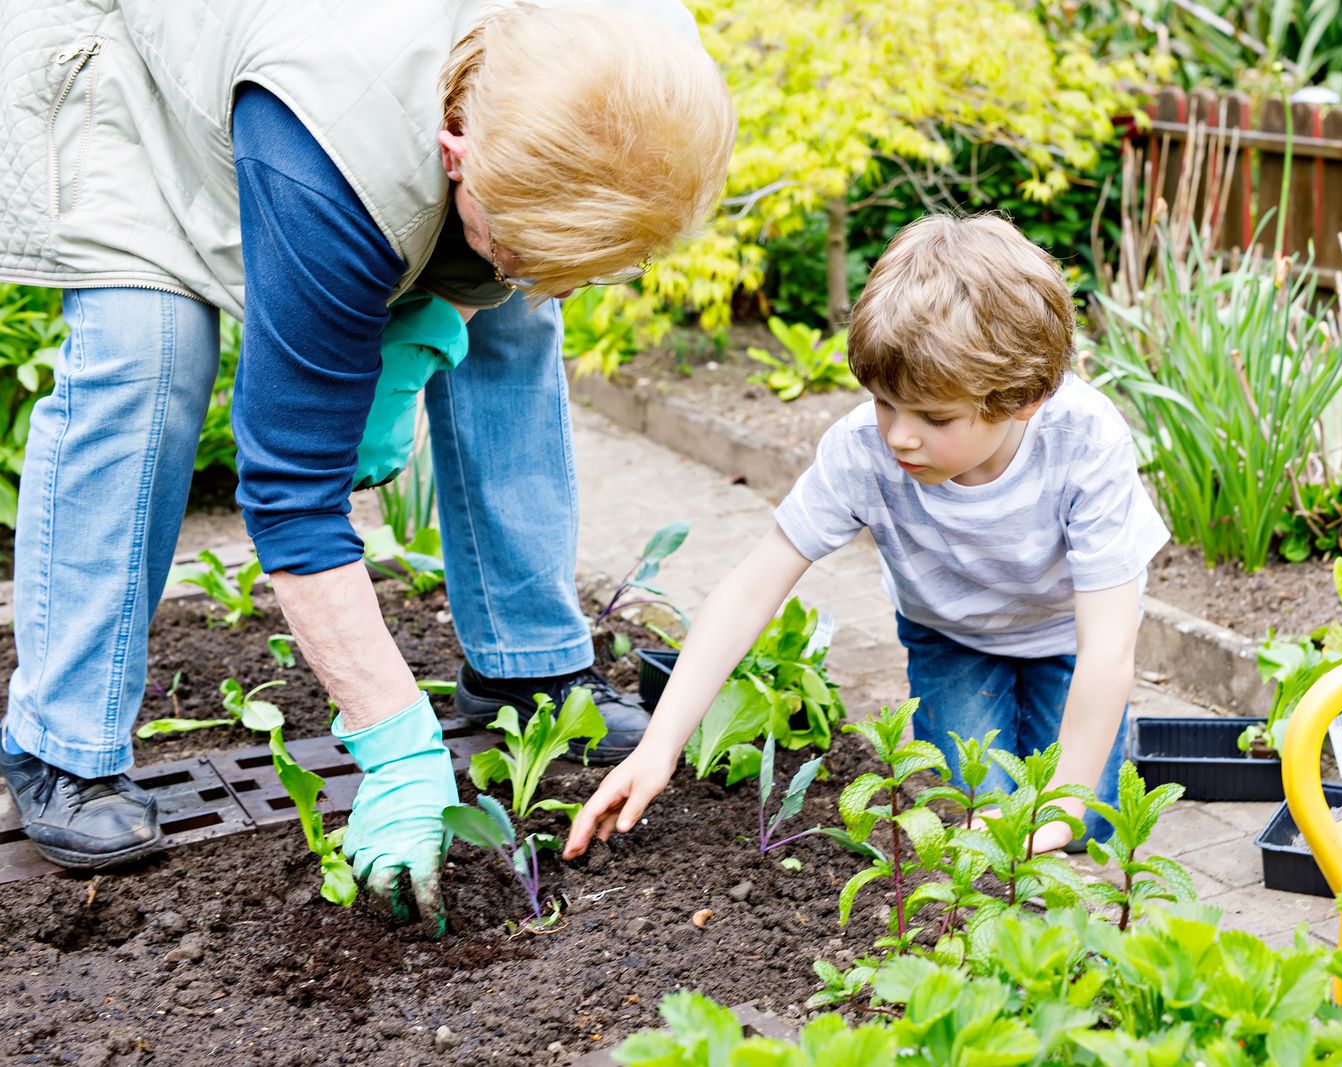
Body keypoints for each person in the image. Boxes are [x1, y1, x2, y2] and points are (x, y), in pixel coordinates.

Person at [0, 0, 735, 928]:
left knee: (518, 313)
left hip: (367, 96)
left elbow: (515, 255)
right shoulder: (329, 142)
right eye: (510, 237)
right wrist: (395, 745)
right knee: (148, 351)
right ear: (455, 148)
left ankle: (525, 661)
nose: (543, 274)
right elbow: (293, 494)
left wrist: (442, 311)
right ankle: (60, 738)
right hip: (142, 53)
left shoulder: (637, 65)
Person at [565, 214, 1170, 860]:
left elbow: (1107, 648)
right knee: (971, 817)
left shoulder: (1083, 441)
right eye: (885, 403)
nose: (900, 436)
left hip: (1068, 641)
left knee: (1085, 824)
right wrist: (658, 745)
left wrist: (1065, 806)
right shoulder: (863, 452)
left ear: (1024, 398)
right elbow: (750, 588)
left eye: (935, 417)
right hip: (952, 635)